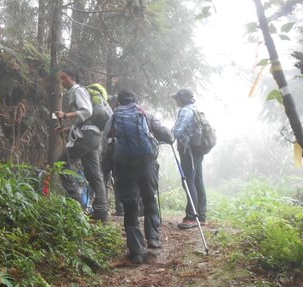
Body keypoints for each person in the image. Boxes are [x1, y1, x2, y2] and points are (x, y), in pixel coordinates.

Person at [103, 90, 173, 264]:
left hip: (124, 167)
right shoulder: (146, 115)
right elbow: (166, 135)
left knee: (130, 205)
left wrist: (106, 169)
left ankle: (136, 251)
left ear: (118, 103)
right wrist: (169, 138)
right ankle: (154, 240)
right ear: (136, 101)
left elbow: (107, 144)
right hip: (146, 164)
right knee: (150, 198)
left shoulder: (113, 118)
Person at [54, 68, 108, 221]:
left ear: (71, 77)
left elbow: (87, 111)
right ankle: (101, 212)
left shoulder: (78, 90)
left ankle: (76, 205)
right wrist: (65, 129)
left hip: (86, 136)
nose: (62, 81)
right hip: (92, 136)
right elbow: (83, 120)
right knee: (94, 174)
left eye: (63, 78)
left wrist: (65, 115)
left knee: (61, 164)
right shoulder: (79, 92)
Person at [171, 88, 207, 229]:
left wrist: (167, 136)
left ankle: (192, 217)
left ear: (183, 99)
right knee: (197, 181)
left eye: (177, 98)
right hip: (197, 150)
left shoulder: (186, 111)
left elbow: (178, 130)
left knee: (188, 181)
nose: (175, 101)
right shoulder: (195, 109)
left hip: (189, 151)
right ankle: (201, 216)